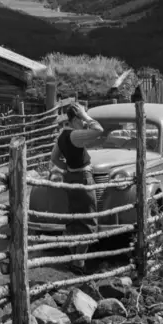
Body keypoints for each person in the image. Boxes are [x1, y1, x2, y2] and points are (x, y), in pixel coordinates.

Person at [50, 103, 118, 274]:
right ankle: (79, 263)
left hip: (70, 178)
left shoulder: (62, 135)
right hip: (83, 178)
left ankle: (74, 259)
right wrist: (86, 116)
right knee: (88, 220)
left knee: (75, 219)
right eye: (81, 119)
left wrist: (65, 169)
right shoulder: (75, 135)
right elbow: (99, 129)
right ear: (75, 119)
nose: (84, 123)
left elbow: (54, 158)